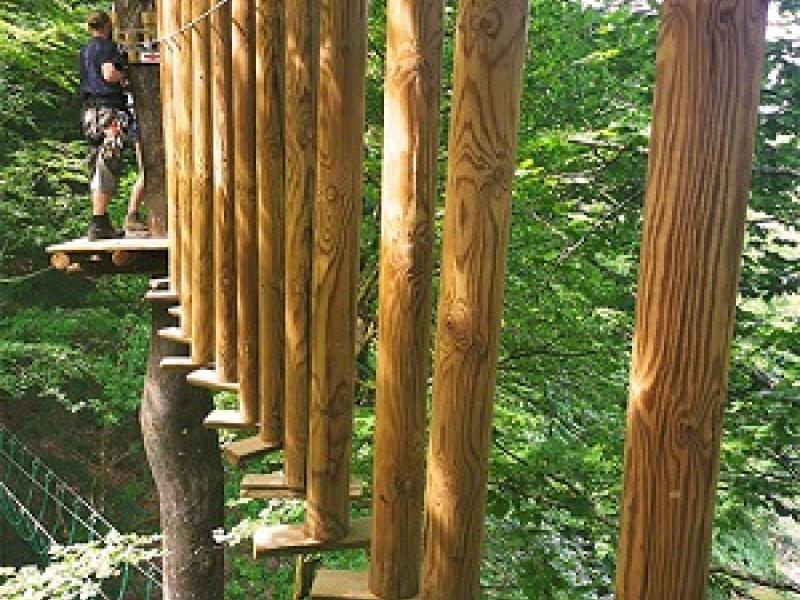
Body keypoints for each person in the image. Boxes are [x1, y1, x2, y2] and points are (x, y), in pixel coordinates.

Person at [79, 10, 148, 241]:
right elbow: (108, 74)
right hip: (108, 111)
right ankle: (99, 221)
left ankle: (100, 220)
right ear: (108, 26)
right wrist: (126, 74)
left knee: (98, 161)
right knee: (108, 162)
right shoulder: (107, 47)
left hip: (90, 113)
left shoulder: (85, 50)